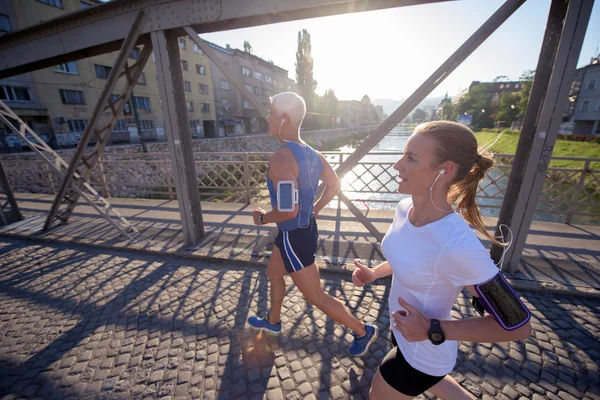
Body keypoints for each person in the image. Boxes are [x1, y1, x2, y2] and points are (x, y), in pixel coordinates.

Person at [351, 121, 532, 399]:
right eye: (403, 154)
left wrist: (432, 330)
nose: (397, 165)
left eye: (410, 158)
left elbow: (518, 326)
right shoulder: (404, 208)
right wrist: (375, 273)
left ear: (444, 170)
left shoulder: (456, 243)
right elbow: (411, 259)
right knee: (438, 384)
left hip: (425, 352)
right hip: (404, 333)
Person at [248, 92, 378, 356]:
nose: (267, 118)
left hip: (293, 236)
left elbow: (287, 210)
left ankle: (363, 330)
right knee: (274, 273)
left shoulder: (281, 158)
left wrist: (262, 219)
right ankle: (272, 322)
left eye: (271, 113)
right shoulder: (314, 153)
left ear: (284, 118)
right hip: (300, 232)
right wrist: (316, 208)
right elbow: (335, 185)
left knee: (315, 296)